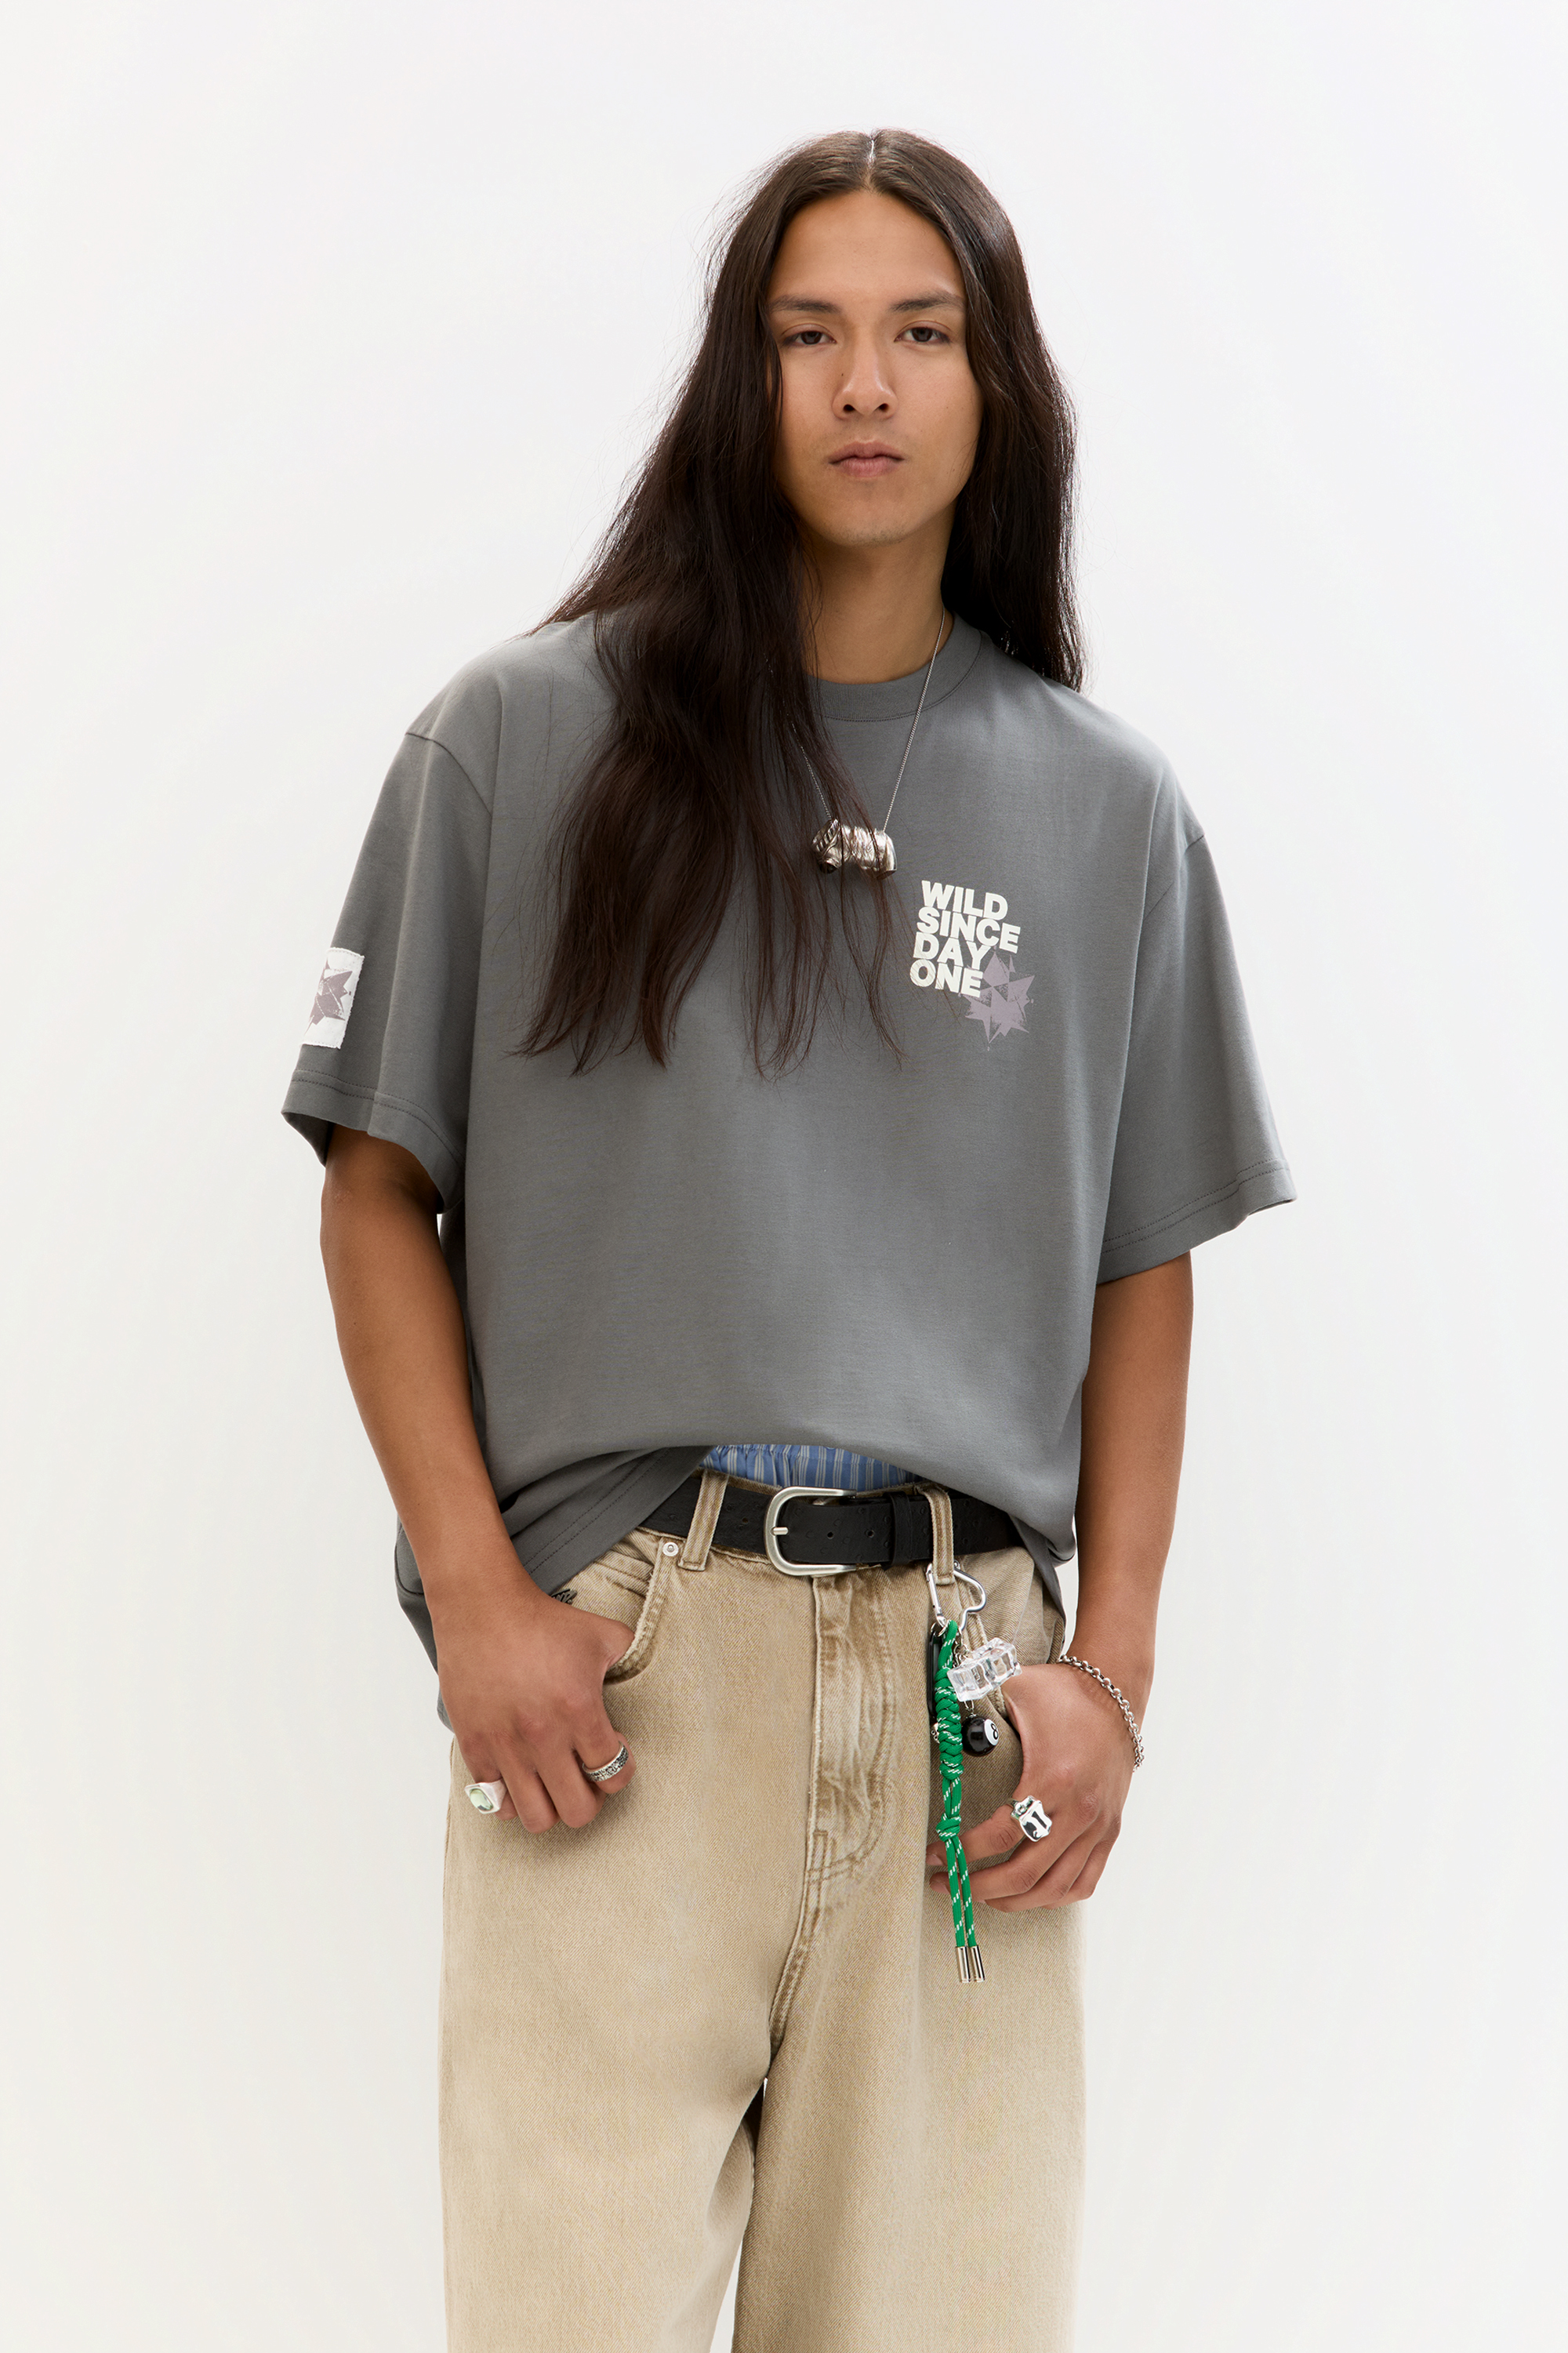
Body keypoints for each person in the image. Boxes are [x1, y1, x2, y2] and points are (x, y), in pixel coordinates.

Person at [284, 129, 1294, 2353]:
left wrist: (1113, 1678)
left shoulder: (1104, 807)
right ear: (735, 380)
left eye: (923, 333)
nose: (864, 384)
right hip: (623, 1684)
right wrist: (479, 1599)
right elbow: (373, 1185)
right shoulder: (523, 740)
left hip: (963, 1702)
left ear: (999, 387)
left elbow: (1142, 1263)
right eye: (807, 333)